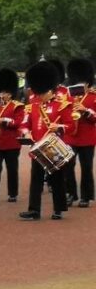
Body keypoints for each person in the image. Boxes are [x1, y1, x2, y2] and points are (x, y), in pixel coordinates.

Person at [19, 61, 74, 221]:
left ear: (50, 90)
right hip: (37, 147)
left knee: (57, 180)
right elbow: (24, 124)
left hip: (53, 148)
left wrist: (59, 127)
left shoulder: (62, 106)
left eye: (43, 93)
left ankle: (58, 209)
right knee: (36, 180)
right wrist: (26, 133)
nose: (40, 96)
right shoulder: (32, 106)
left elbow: (71, 126)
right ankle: (34, 210)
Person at [0, 68, 25, 204]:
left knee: (12, 170)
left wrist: (3, 120)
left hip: (11, 143)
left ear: (11, 93)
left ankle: (13, 193)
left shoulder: (17, 106)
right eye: (1, 92)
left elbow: (18, 122)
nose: (3, 95)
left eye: (6, 93)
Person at [62, 58, 96, 207]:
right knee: (68, 165)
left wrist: (86, 111)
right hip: (71, 137)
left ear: (88, 83)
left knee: (86, 167)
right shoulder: (68, 97)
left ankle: (86, 197)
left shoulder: (94, 97)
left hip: (87, 138)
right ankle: (71, 194)